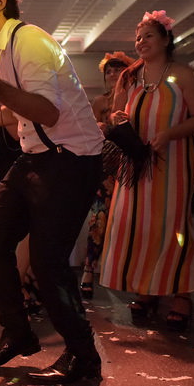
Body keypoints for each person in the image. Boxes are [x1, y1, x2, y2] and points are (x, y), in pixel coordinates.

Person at [0, 0, 104, 385]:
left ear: (1, 3)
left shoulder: (30, 40)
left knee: (48, 261)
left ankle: (83, 356)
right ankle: (18, 334)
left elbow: (48, 112)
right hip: (37, 156)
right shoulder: (1, 50)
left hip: (72, 159)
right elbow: (24, 109)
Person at [99, 11, 194, 332]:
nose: (141, 42)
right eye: (138, 37)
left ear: (165, 39)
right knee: (138, 225)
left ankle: (181, 293)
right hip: (135, 161)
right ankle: (147, 288)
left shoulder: (185, 75)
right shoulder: (129, 77)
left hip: (172, 162)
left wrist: (170, 134)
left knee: (172, 225)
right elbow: (114, 115)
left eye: (148, 35)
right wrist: (118, 118)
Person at [80, 51, 134, 299]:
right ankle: (89, 270)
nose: (113, 74)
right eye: (109, 71)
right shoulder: (100, 102)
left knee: (130, 219)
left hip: (133, 164)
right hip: (105, 165)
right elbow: (89, 134)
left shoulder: (136, 98)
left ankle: (129, 272)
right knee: (99, 216)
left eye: (118, 69)